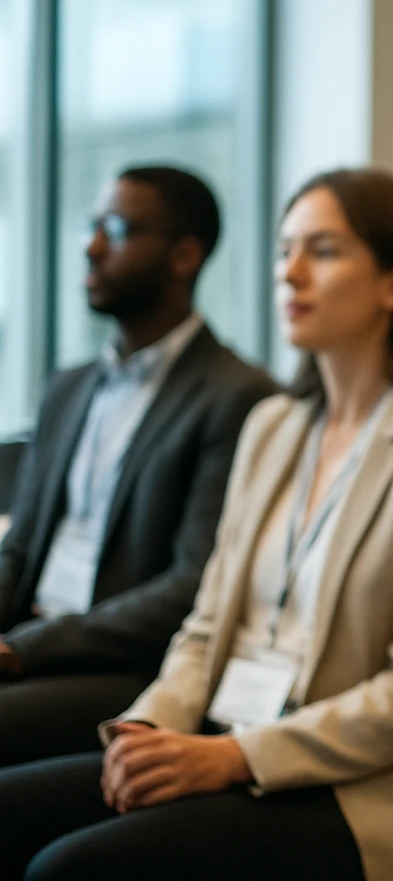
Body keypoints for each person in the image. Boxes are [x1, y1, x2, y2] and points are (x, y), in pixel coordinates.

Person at [0, 169, 393, 881]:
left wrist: (235, 757)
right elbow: (207, 624)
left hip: (361, 792)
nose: (291, 273)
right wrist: (150, 726)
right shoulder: (273, 426)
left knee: (73, 870)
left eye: (324, 251)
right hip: (222, 733)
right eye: (283, 251)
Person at [0, 166, 275, 768]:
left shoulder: (239, 397)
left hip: (125, 666)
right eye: (91, 225)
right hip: (29, 637)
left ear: (184, 256)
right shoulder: (68, 388)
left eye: (117, 229)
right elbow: (18, 551)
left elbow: (191, 584)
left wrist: (24, 650)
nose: (91, 245)